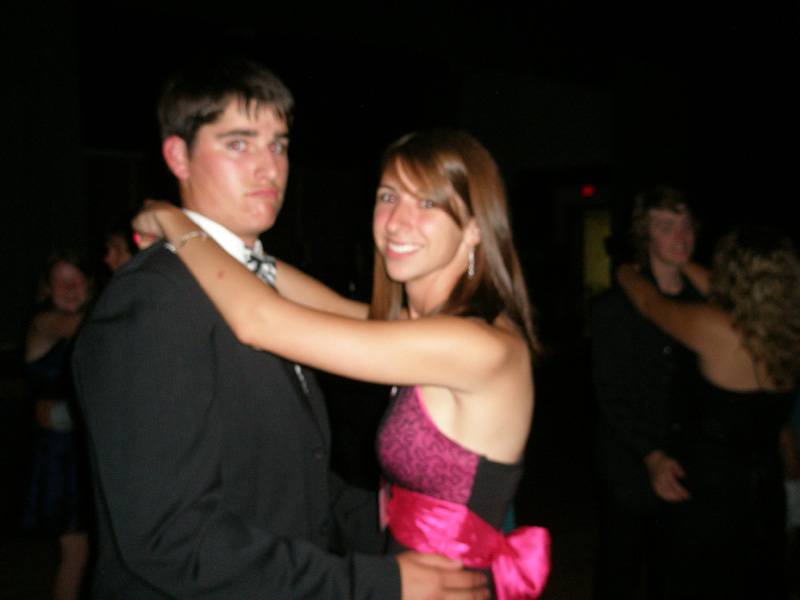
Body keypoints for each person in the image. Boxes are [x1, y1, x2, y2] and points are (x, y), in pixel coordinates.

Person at [72, 56, 488, 600]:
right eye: (238, 144)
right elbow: (171, 538)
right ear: (177, 156)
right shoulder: (153, 301)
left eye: (278, 145)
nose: (269, 168)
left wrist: (411, 535)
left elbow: (287, 476)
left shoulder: (256, 284)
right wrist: (374, 582)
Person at [132, 129, 552, 599]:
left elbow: (259, 321)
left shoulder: (475, 345)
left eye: (427, 203)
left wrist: (175, 221)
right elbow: (326, 305)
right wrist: (230, 245)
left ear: (475, 227)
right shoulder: (428, 329)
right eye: (388, 197)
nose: (396, 222)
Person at [616, 225, 800, 599]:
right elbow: (726, 292)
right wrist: (682, 261)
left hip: (712, 490)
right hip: (764, 486)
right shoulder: (788, 328)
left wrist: (622, 270)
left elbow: (650, 305)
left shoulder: (718, 328)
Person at [591, 185, 703, 600]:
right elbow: (611, 394)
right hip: (629, 466)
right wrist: (651, 454)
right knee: (619, 571)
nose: (680, 236)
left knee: (671, 575)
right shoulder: (614, 307)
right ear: (646, 235)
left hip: (687, 465)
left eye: (686, 224)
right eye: (666, 226)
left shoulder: (705, 303)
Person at [22, 251, 93, 600]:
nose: (71, 288)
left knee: (89, 552)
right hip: (59, 455)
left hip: (83, 447)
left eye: (77, 279)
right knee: (76, 552)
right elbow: (82, 325)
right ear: (47, 289)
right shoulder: (45, 322)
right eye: (61, 282)